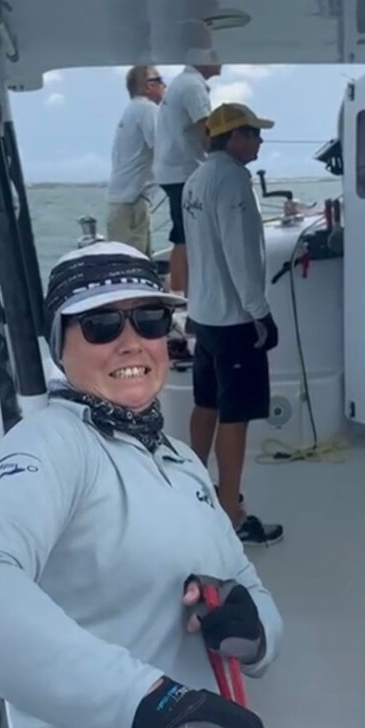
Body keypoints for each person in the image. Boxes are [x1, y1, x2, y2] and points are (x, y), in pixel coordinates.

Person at [0, 240, 282, 728]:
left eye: (150, 319)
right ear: (59, 345)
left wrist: (254, 629)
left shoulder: (183, 462)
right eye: (101, 325)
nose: (131, 342)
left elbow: (250, 585)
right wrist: (152, 706)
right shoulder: (52, 443)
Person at [182, 104, 284, 547]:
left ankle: (190, 488)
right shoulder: (234, 180)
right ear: (233, 137)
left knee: (206, 403)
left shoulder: (195, 179)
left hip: (202, 315)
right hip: (232, 319)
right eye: (254, 134)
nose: (260, 141)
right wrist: (260, 312)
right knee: (236, 415)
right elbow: (240, 254)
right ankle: (230, 513)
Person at [153, 51, 221, 292]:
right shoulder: (193, 86)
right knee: (187, 237)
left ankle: (182, 292)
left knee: (184, 234)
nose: (222, 60)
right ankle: (182, 296)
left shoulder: (183, 83)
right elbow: (207, 133)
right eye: (216, 55)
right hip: (183, 172)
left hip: (174, 171)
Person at [106, 65, 165, 256]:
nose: (164, 85)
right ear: (147, 87)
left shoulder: (132, 110)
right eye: (159, 81)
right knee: (135, 263)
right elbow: (164, 149)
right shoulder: (148, 109)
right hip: (132, 203)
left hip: (122, 201)